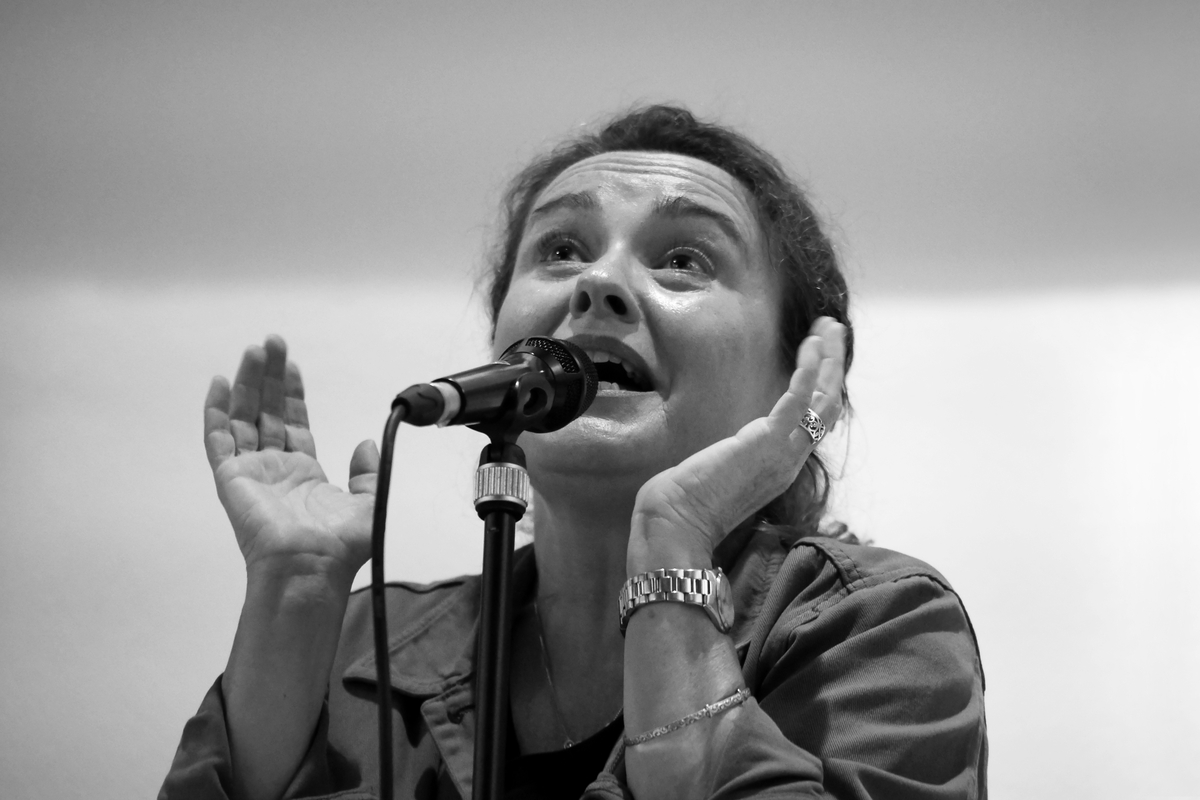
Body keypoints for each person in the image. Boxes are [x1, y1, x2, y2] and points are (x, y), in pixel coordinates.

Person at [161, 105, 987, 800]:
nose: (599, 283)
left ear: (799, 378)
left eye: (684, 259)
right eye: (560, 250)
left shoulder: (879, 630)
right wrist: (295, 596)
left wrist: (674, 544)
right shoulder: (361, 644)